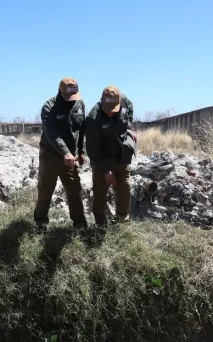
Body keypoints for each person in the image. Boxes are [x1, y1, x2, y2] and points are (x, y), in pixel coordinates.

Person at [35, 77, 87, 231]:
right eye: (67, 97)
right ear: (60, 92)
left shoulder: (80, 104)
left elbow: (81, 129)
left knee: (74, 192)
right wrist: (65, 152)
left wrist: (81, 151)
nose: (71, 101)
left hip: (70, 158)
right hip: (50, 155)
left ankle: (79, 226)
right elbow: (52, 133)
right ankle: (40, 223)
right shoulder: (49, 107)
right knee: (45, 192)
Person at [86, 86, 137, 226]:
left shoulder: (124, 101)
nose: (110, 113)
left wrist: (128, 127)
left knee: (124, 188)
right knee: (100, 190)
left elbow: (130, 109)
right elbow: (92, 151)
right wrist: (106, 172)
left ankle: (122, 221)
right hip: (101, 157)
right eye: (107, 109)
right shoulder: (92, 118)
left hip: (119, 155)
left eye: (113, 109)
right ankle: (101, 224)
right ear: (101, 101)